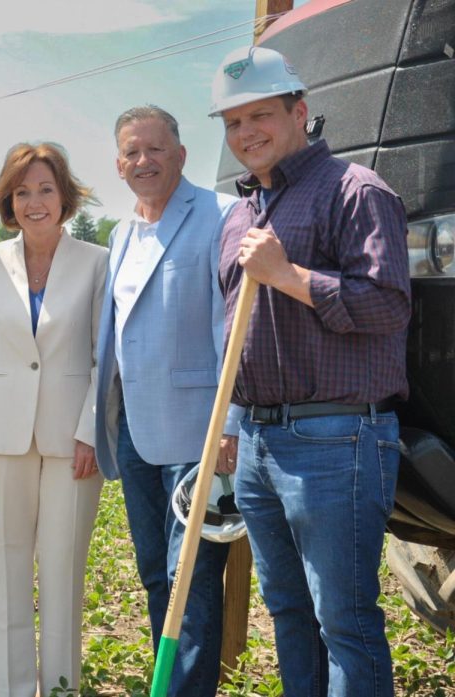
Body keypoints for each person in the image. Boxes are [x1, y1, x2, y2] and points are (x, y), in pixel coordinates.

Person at [211, 45, 410, 696]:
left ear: (299, 111)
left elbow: (386, 305)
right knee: (290, 615)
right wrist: (234, 422)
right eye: (234, 123)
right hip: (260, 444)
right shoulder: (239, 215)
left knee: (343, 622)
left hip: (338, 441)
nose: (247, 133)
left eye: (260, 115)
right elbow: (237, 334)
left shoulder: (356, 192)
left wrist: (288, 275)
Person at [0, 142, 106, 697]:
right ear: (7, 201)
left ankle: (60, 688)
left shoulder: (96, 261)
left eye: (44, 189)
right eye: (22, 192)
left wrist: (92, 431)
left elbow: (102, 358)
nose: (33, 202)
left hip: (73, 443)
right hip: (1, 436)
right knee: (8, 570)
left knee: (63, 571)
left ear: (64, 196)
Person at [93, 105, 238, 697]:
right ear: (118, 164)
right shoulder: (121, 234)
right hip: (135, 432)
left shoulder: (220, 215)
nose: (143, 160)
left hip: (196, 434)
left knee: (191, 580)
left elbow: (234, 330)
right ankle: (170, 683)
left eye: (155, 148)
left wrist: (229, 425)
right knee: (157, 574)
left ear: (181, 153)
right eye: (131, 151)